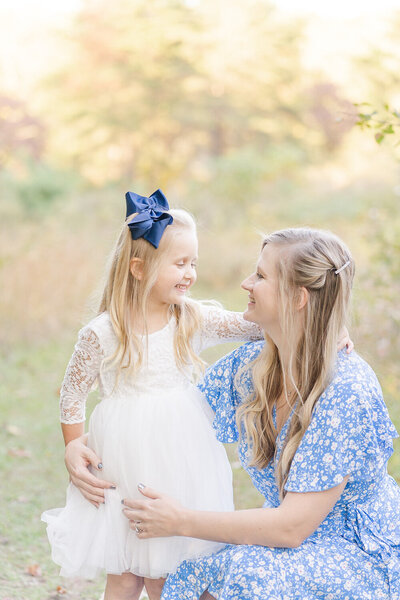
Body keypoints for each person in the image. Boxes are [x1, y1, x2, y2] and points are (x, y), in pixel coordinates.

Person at [118, 227, 400, 600]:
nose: (246, 283)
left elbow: (291, 528)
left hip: (356, 552)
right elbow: (173, 417)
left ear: (299, 297)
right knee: (190, 570)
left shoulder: (346, 391)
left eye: (262, 276)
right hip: (292, 541)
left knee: (250, 574)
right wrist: (87, 444)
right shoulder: (253, 365)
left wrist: (180, 521)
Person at [41, 189, 264, 600]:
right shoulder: (103, 332)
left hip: (183, 452)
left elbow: (258, 326)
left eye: (194, 262)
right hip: (124, 456)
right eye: (180, 263)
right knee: (126, 573)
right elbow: (72, 393)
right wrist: (73, 448)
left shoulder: (192, 318)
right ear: (139, 268)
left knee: (177, 570)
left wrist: (327, 328)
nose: (191, 273)